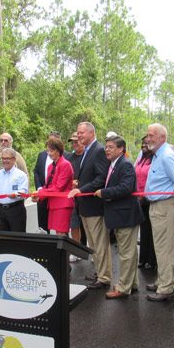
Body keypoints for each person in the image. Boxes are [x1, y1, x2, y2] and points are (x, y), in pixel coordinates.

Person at [143, 123, 174, 302]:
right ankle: (163, 280)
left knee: (164, 248)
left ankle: (166, 288)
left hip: (164, 206)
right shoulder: (157, 154)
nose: (148, 138)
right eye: (148, 135)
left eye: (152, 135)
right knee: (159, 246)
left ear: (162, 137)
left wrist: (172, 203)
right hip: (157, 206)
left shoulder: (167, 156)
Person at [94, 136, 143, 299]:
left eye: (111, 147)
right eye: (106, 147)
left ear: (121, 149)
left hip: (126, 215)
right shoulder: (114, 164)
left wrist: (104, 192)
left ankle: (123, 288)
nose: (106, 149)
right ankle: (132, 283)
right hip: (121, 215)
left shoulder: (125, 165)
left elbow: (126, 188)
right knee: (129, 252)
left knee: (126, 253)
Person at [68, 122, 111, 290]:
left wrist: (81, 189)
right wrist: (79, 182)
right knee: (93, 244)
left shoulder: (99, 150)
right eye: (77, 133)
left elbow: (101, 178)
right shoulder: (87, 151)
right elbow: (90, 174)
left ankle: (105, 277)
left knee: (99, 243)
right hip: (84, 206)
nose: (78, 136)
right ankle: (99, 273)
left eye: (81, 133)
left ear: (91, 133)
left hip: (94, 206)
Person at [36, 136, 74, 235]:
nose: (49, 154)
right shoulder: (50, 166)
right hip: (53, 203)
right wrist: (38, 196)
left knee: (61, 234)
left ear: (58, 150)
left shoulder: (66, 164)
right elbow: (48, 186)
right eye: (48, 151)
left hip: (63, 204)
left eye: (51, 151)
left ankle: (64, 252)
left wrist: (40, 193)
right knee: (57, 234)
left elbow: (58, 187)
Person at [134, 136, 156, 270]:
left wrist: (145, 195)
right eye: (143, 143)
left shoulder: (155, 159)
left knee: (152, 230)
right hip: (139, 199)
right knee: (144, 230)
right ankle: (143, 258)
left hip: (150, 198)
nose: (144, 146)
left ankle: (152, 260)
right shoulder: (141, 158)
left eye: (147, 143)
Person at [33, 130, 61, 232]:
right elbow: (36, 172)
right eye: (49, 141)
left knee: (59, 227)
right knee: (43, 226)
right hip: (42, 196)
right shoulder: (42, 155)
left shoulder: (65, 157)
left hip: (58, 197)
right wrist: (40, 188)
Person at [65, 131, 85, 258]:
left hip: (86, 196)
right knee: (74, 224)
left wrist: (80, 183)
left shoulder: (88, 156)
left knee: (89, 226)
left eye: (76, 141)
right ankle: (77, 250)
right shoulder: (69, 158)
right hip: (72, 197)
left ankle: (94, 252)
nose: (74, 144)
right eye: (72, 142)